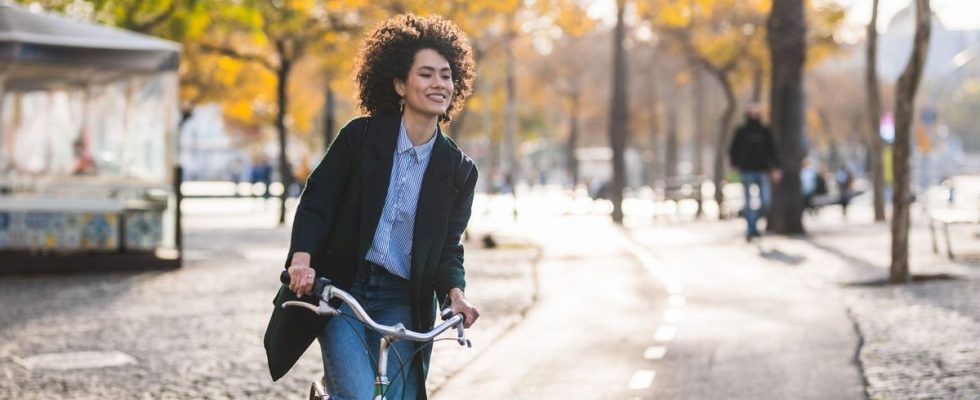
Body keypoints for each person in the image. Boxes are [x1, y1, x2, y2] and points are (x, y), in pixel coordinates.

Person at [263, 14, 480, 400]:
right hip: (344, 286)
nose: (439, 84)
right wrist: (302, 258)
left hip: (403, 297)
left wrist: (455, 294)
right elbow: (319, 200)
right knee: (358, 396)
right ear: (399, 83)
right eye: (426, 74)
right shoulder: (360, 138)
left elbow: (448, 247)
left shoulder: (458, 171)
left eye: (446, 75)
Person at [728, 104, 781, 241]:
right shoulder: (741, 131)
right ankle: (751, 230)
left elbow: (772, 150)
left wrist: (775, 168)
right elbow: (733, 149)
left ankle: (754, 225)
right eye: (751, 109)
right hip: (747, 171)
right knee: (748, 202)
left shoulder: (764, 131)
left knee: (765, 201)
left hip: (763, 171)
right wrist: (734, 165)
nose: (754, 111)